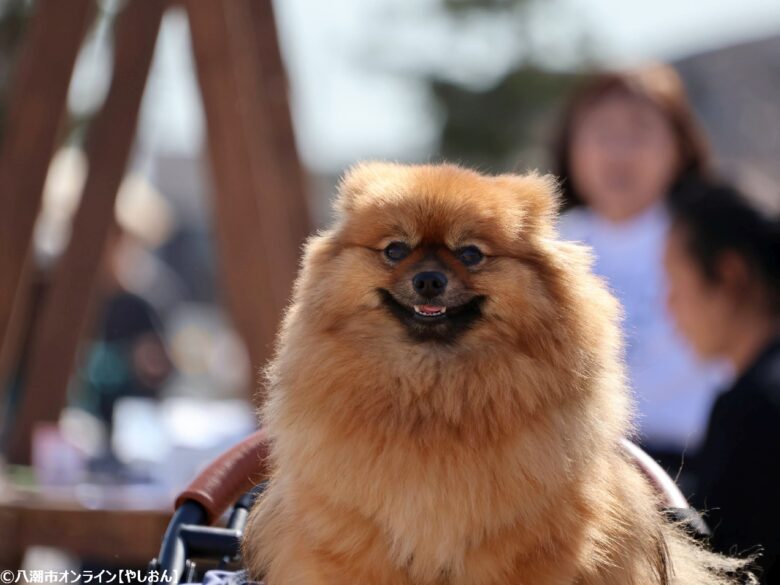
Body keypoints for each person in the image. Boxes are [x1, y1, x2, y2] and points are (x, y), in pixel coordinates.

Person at [552, 64, 726, 480]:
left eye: (640, 131)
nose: (619, 151)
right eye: (603, 133)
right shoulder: (545, 246)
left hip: (695, 466)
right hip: (576, 466)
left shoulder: (716, 241)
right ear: (570, 145)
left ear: (681, 146)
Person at [664, 180, 780, 583]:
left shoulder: (757, 407)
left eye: (675, 281)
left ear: (729, 275)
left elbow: (726, 563)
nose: (669, 304)